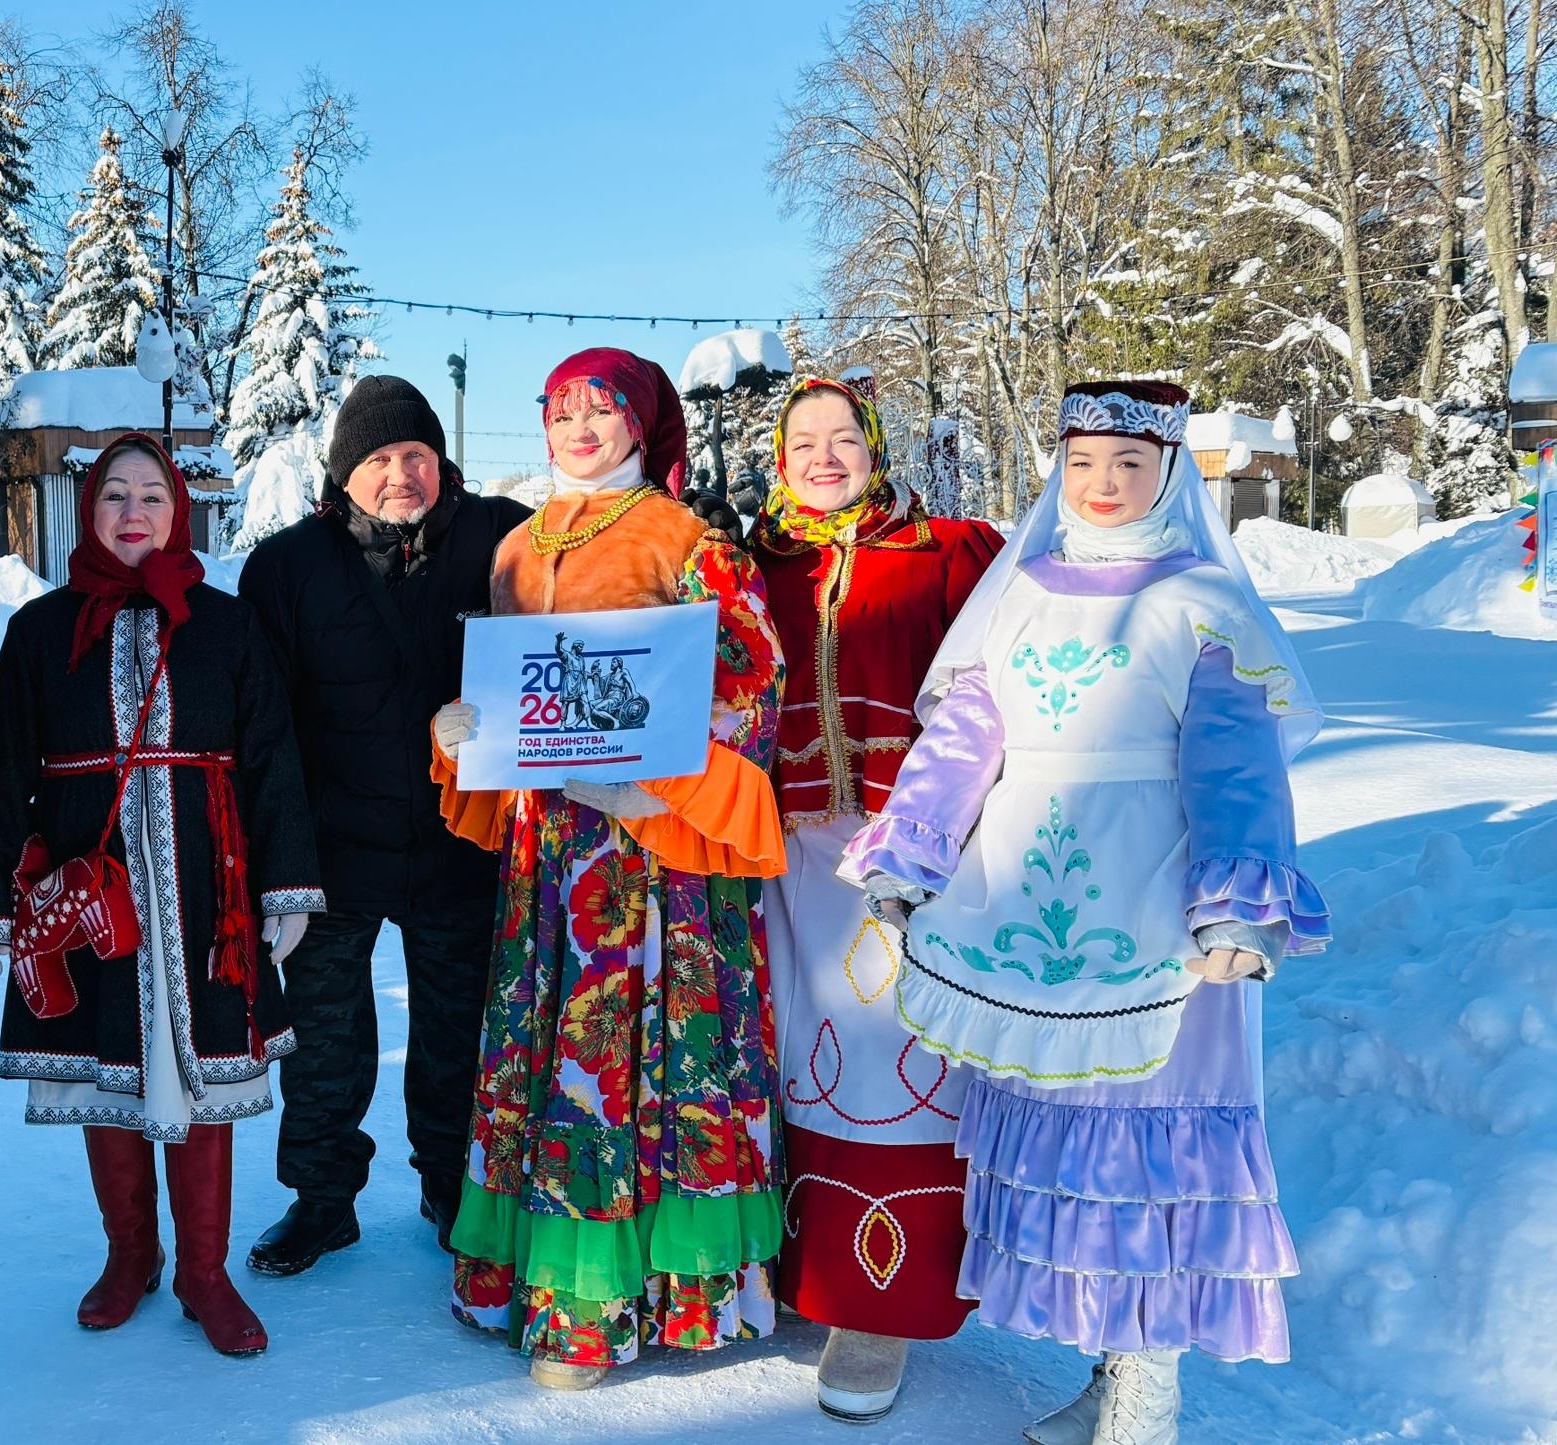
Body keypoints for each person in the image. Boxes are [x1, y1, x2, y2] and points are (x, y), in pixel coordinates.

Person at [840, 381, 1328, 1445]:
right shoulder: (1019, 592)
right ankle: (1112, 1376)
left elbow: (1235, 764)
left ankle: (1148, 1402)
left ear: (1170, 474)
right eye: (1084, 462)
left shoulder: (1201, 599)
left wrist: (1235, 906)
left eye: (1129, 463)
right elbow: (965, 737)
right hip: (1026, 911)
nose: (1103, 483)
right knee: (1076, 1165)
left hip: (1157, 915)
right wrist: (913, 848)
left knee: (1144, 1163)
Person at [430, 348, 788, 1391]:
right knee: (550, 1045)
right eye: (562, 410)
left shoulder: (687, 539)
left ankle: (625, 1302)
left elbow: (753, 683)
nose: (580, 427)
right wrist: (463, 732)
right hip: (547, 851)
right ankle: (548, 1281)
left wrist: (656, 786)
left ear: (642, 423)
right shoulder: (514, 547)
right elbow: (509, 691)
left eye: (602, 407)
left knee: (633, 1053)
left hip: (650, 857)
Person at [0, 432, 324, 1356]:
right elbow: (1, 770)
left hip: (206, 890)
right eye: (115, 493)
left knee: (200, 1074)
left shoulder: (227, 625)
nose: (133, 511)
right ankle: (130, 1256)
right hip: (92, 893)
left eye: (152, 494)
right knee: (105, 1069)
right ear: (90, 509)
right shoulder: (42, 629)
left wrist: (286, 886)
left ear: (177, 510)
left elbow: (271, 758)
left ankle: (204, 1271)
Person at [747, 376, 1004, 1422]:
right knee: (789, 1054)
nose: (823, 455)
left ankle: (878, 1302)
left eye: (842, 436)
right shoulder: (752, 563)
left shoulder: (949, 552)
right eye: (802, 440)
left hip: (911, 858)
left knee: (890, 1060)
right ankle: (793, 1270)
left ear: (875, 447)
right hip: (780, 853)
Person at [235, 375, 528, 1275]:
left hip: (460, 840)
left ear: (442, 461)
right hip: (332, 848)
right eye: (379, 458)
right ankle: (322, 1199)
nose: (401, 473)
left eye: (417, 454)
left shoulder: (503, 539)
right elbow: (262, 727)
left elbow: (588, 593)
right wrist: (274, 859)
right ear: (343, 473)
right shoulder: (285, 568)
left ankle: (450, 1184)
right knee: (324, 1034)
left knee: (457, 1028)